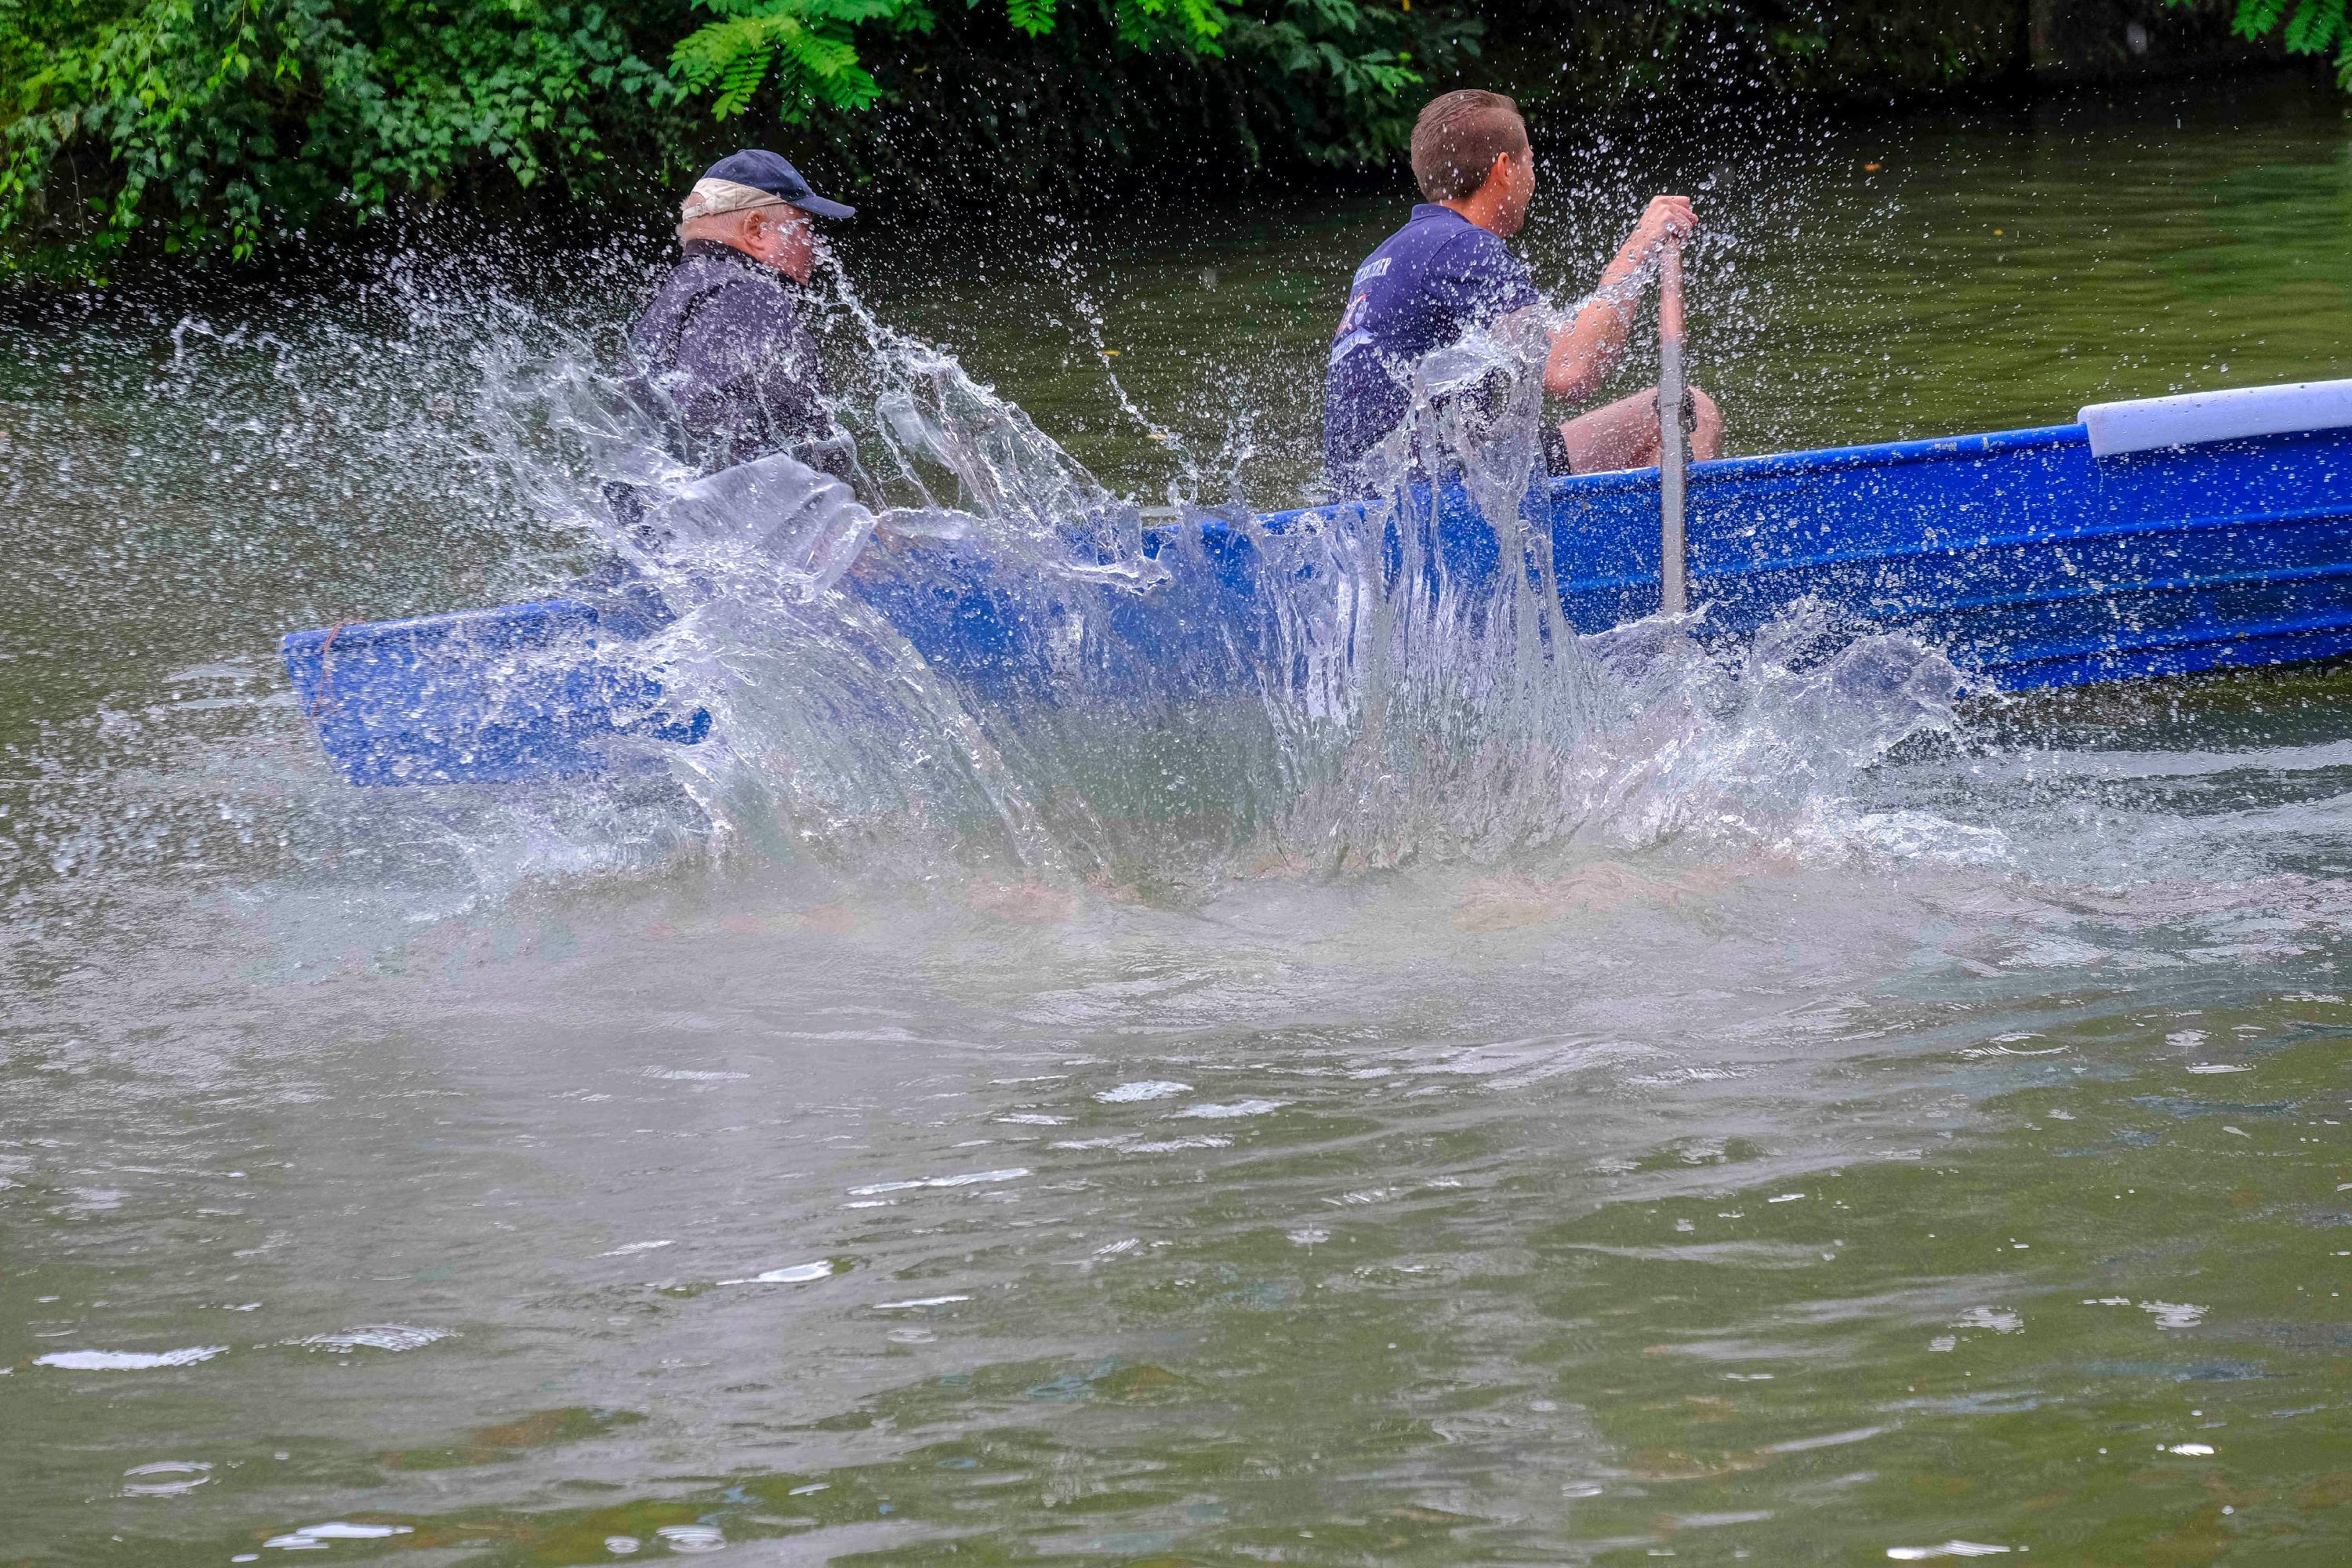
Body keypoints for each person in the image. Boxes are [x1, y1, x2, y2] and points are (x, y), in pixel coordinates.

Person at [1324, 89, 1724, 499]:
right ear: (1504, 169)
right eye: (1530, 162)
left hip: (1371, 500)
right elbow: (1570, 370)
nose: (1533, 180)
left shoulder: (1390, 254)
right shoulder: (1463, 246)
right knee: (1692, 411)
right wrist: (1639, 249)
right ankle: (1659, 558)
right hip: (1425, 502)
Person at [626, 148, 860, 481]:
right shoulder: (752, 295)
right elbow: (721, 431)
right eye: (806, 229)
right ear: (755, 229)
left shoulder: (668, 303)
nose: (818, 250)